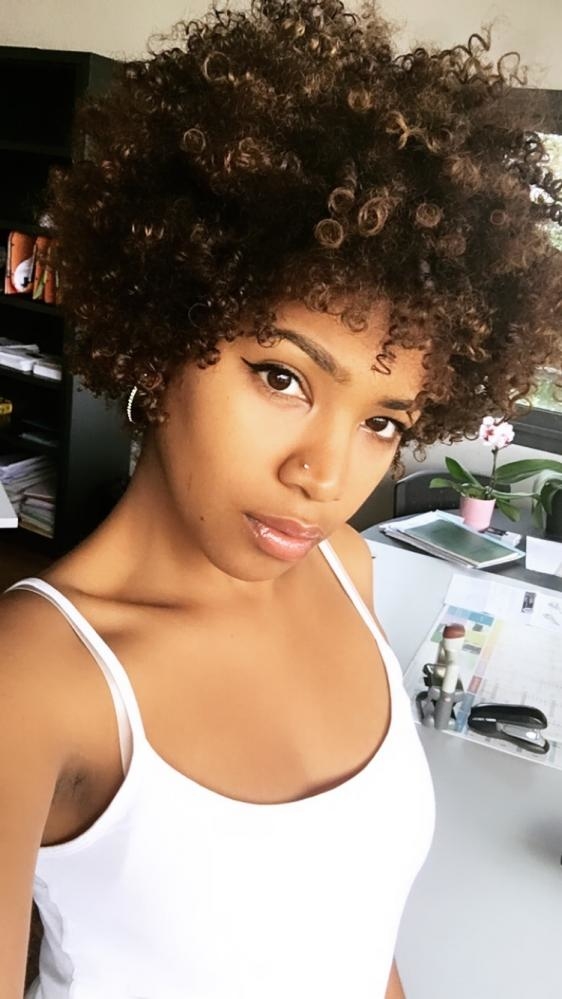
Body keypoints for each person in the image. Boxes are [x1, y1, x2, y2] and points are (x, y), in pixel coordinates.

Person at [1, 1, 561, 996]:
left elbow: (361, 943)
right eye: (282, 377)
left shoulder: (348, 569)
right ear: (163, 334)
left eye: (382, 420)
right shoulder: (37, 677)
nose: (327, 475)